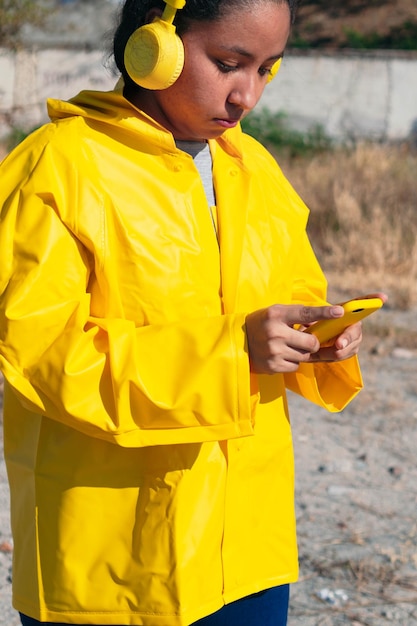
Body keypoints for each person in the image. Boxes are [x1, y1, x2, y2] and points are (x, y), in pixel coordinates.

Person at [0, 0, 381, 624]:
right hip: (113, 566)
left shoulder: (251, 166)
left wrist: (322, 336)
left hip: (245, 553)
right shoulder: (62, 166)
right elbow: (43, 353)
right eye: (229, 63)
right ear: (159, 38)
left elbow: (292, 293)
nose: (246, 97)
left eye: (266, 69)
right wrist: (234, 351)